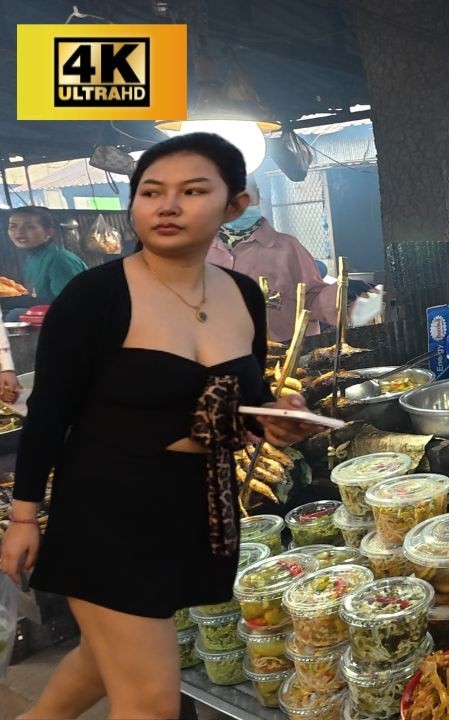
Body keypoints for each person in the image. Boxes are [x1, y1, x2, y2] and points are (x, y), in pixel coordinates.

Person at [0, 133, 323, 719]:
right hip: (107, 509)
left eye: (192, 191)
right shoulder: (95, 296)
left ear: (234, 205)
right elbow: (48, 414)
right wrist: (24, 516)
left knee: (108, 658)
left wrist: (279, 416)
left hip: (198, 509)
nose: (167, 206)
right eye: (151, 192)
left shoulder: (242, 294)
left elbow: (247, 398)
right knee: (150, 701)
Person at [206, 178, 372, 342]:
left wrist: (340, 293)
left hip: (283, 361)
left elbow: (311, 300)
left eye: (247, 198)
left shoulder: (287, 249)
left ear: (259, 199)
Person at [3, 206, 88, 321]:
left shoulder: (59, 260)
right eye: (13, 226)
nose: (19, 232)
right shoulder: (33, 259)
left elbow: (73, 304)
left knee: (15, 315)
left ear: (49, 232)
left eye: (29, 227)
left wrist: (21, 302)